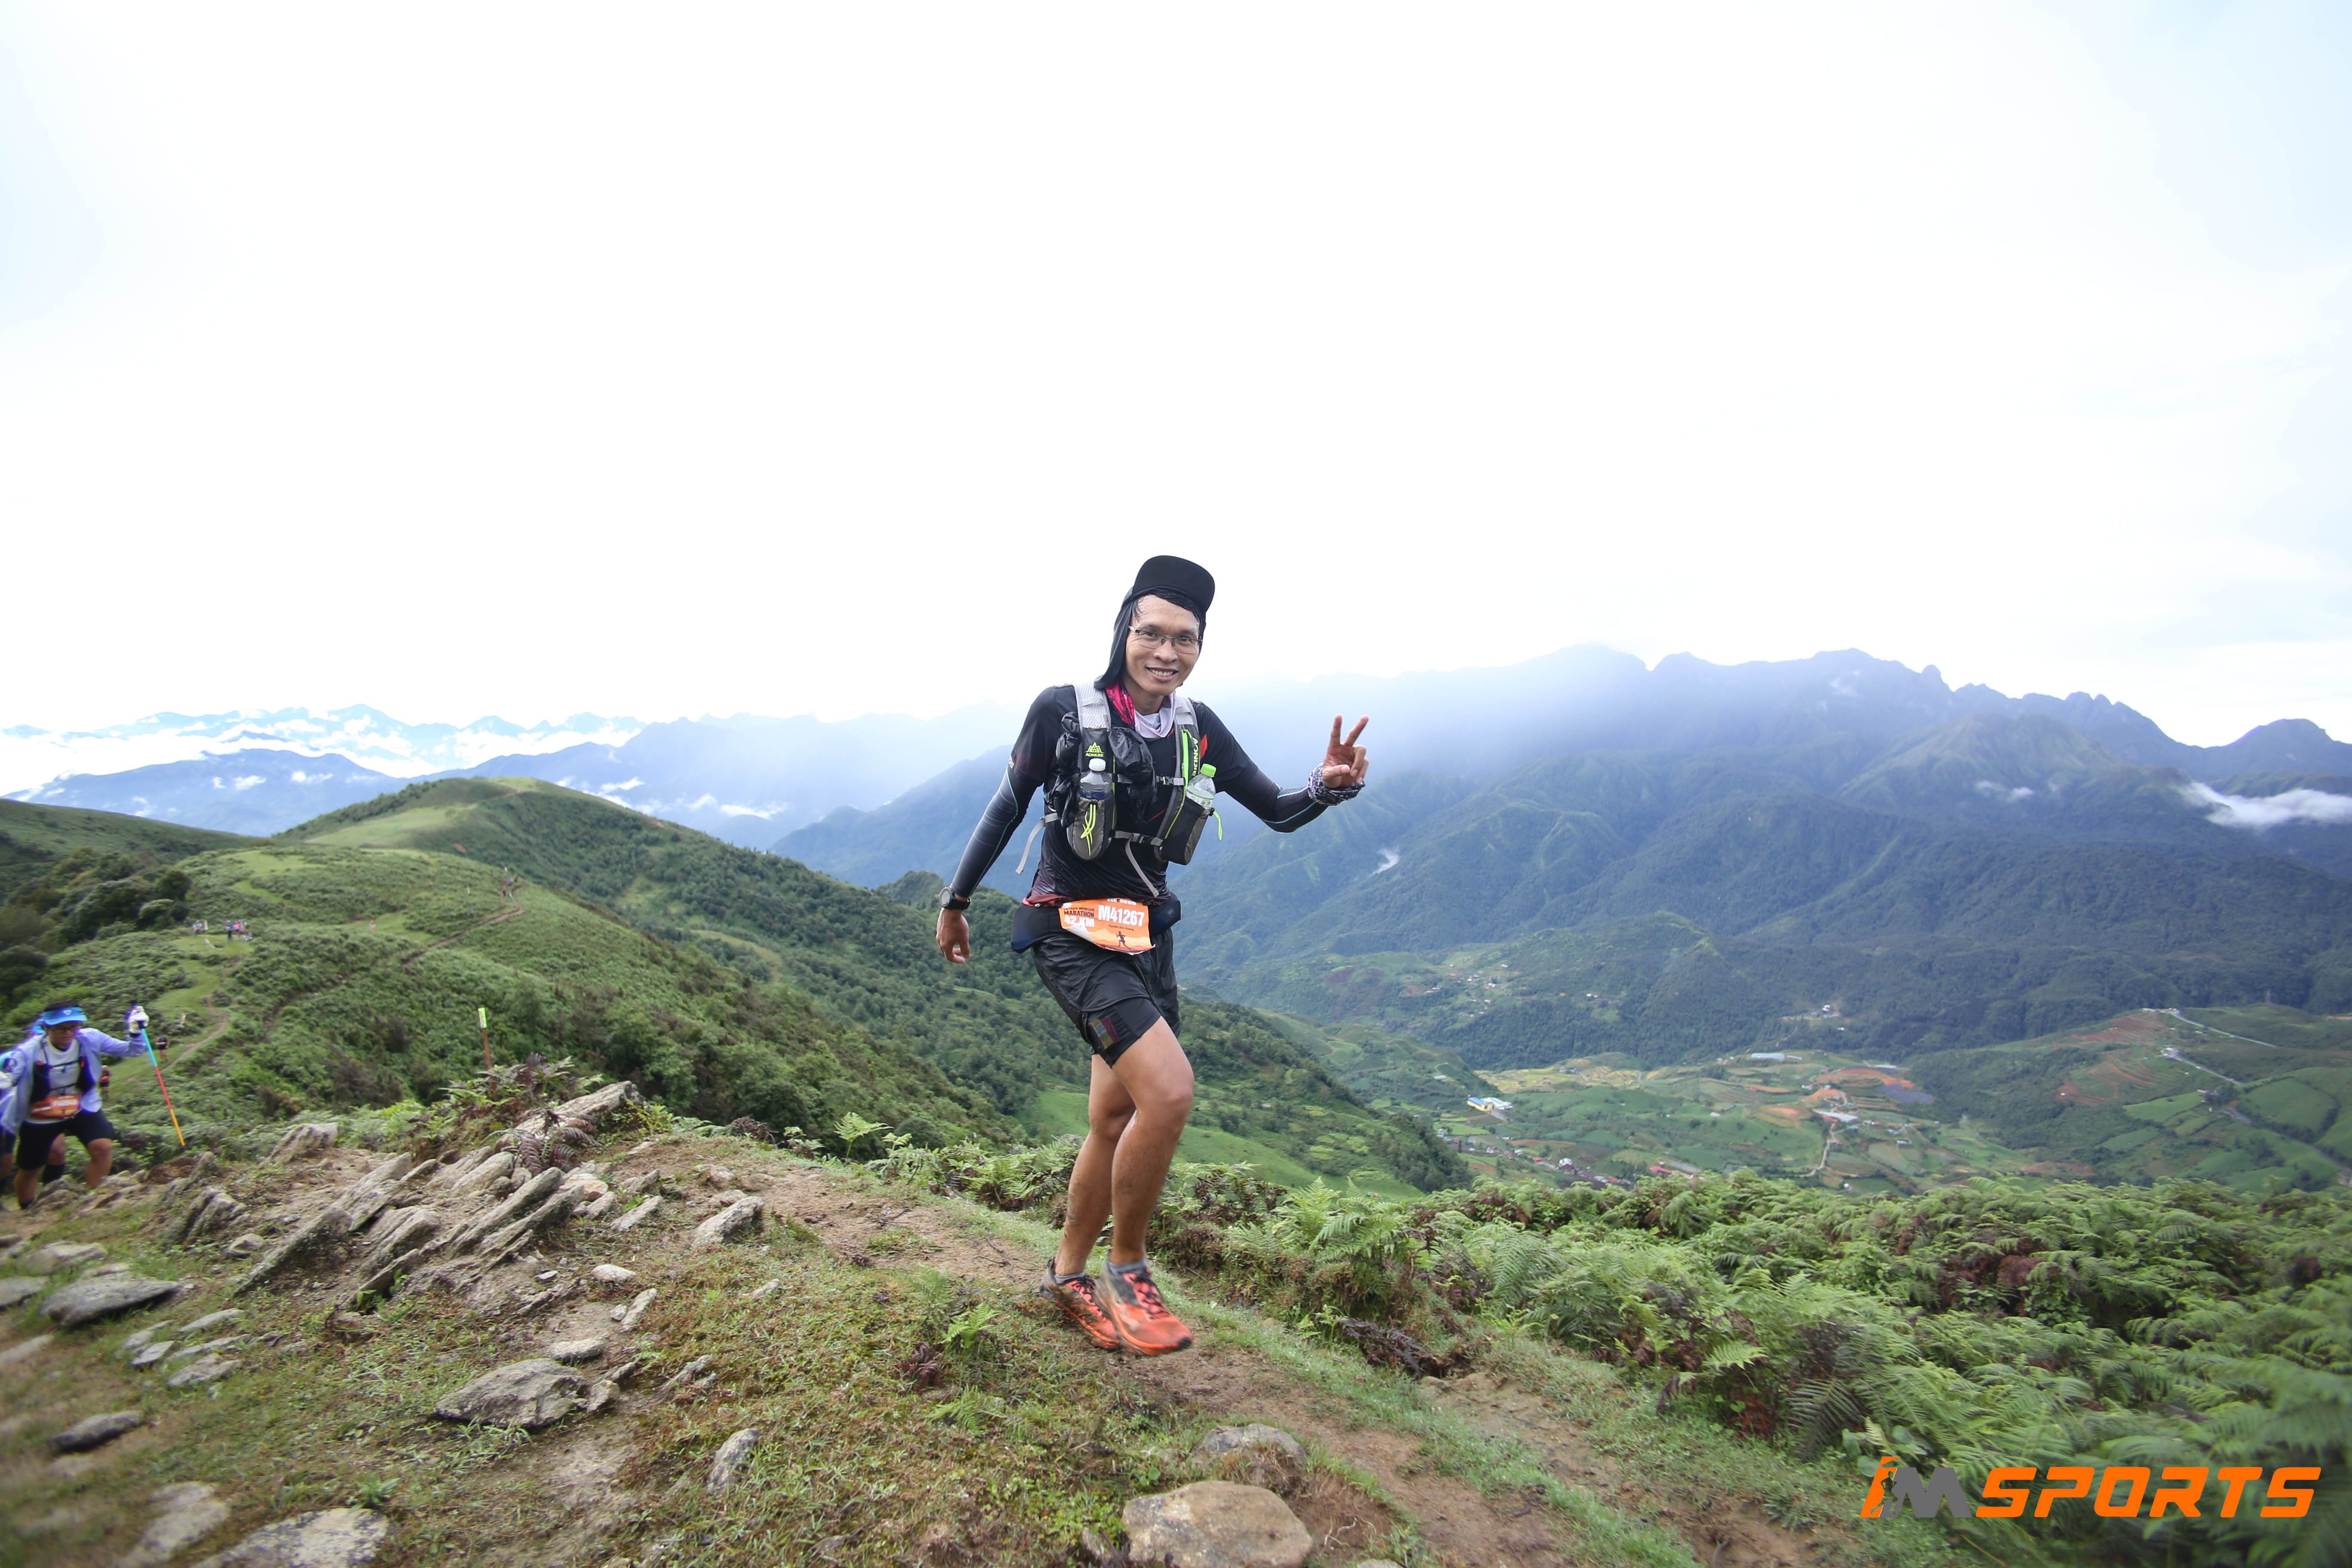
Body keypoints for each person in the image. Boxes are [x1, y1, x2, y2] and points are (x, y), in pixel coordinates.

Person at [935, 556, 1370, 1356]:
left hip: (1146, 939)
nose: (1167, 652)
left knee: (1114, 1116)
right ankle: (1127, 1268)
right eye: (1152, 633)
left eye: (1185, 639)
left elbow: (1277, 810)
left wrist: (1328, 784)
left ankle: (1065, 1275)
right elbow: (1008, 806)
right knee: (1168, 1093)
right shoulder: (1063, 712)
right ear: (1122, 632)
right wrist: (955, 902)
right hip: (1069, 932)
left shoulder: (1198, 727)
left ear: (1200, 646)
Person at [3, 1004, 156, 1206]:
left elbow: (132, 1050)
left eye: (74, 1027)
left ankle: (93, 1202)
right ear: (47, 1028)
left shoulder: (90, 1038)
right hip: (39, 1114)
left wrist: (136, 1032)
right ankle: (28, 1210)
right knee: (31, 1168)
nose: (68, 1033)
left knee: (103, 1147)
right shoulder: (28, 1052)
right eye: (61, 1028)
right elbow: (9, 1077)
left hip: (81, 1106)